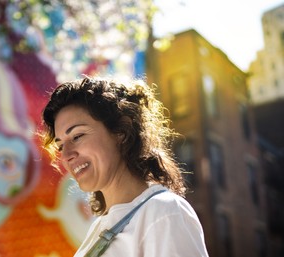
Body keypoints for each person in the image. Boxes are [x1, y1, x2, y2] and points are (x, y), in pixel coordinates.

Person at [41, 76, 209, 256]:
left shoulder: (164, 213)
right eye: (60, 146)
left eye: (77, 136)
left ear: (121, 131)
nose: (66, 156)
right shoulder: (100, 227)